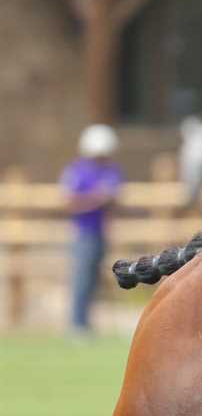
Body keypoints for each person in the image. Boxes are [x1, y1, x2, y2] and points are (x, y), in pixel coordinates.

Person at [60, 124, 123, 337]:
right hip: (83, 233)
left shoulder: (111, 170)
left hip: (102, 233)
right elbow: (69, 202)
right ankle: (78, 324)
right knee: (82, 278)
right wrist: (96, 198)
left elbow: (115, 198)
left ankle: (89, 324)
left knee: (97, 280)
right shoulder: (77, 170)